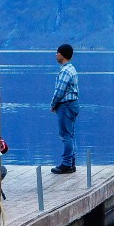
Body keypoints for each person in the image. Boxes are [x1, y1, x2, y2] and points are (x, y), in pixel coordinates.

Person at [50, 43, 79, 174]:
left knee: (66, 135)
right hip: (72, 104)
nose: (56, 55)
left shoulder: (66, 71)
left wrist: (53, 104)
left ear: (62, 54)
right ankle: (71, 162)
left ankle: (67, 164)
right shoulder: (71, 68)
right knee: (71, 135)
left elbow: (59, 91)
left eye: (57, 52)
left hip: (66, 105)